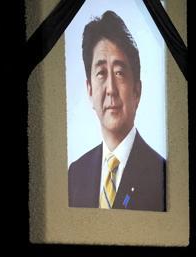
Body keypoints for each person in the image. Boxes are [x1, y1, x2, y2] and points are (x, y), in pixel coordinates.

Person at [68, 11, 166, 212]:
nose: (111, 88)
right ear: (89, 90)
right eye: (101, 73)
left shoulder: (163, 175)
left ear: (137, 91)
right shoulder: (75, 174)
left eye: (120, 73)